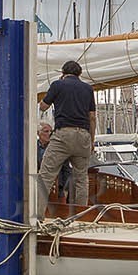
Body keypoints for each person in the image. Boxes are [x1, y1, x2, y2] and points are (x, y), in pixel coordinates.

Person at [38, 60, 95, 208]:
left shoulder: (58, 85)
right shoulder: (88, 89)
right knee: (81, 179)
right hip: (83, 136)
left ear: (63, 73)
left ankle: (37, 217)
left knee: (46, 176)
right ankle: (81, 216)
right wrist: (92, 141)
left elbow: (43, 106)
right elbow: (92, 117)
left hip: (63, 135)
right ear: (79, 74)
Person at [36, 121, 72, 201]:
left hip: (58, 188)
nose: (49, 133)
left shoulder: (58, 149)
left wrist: (65, 189)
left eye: (51, 131)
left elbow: (66, 170)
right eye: (46, 131)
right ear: (38, 133)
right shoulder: (33, 148)